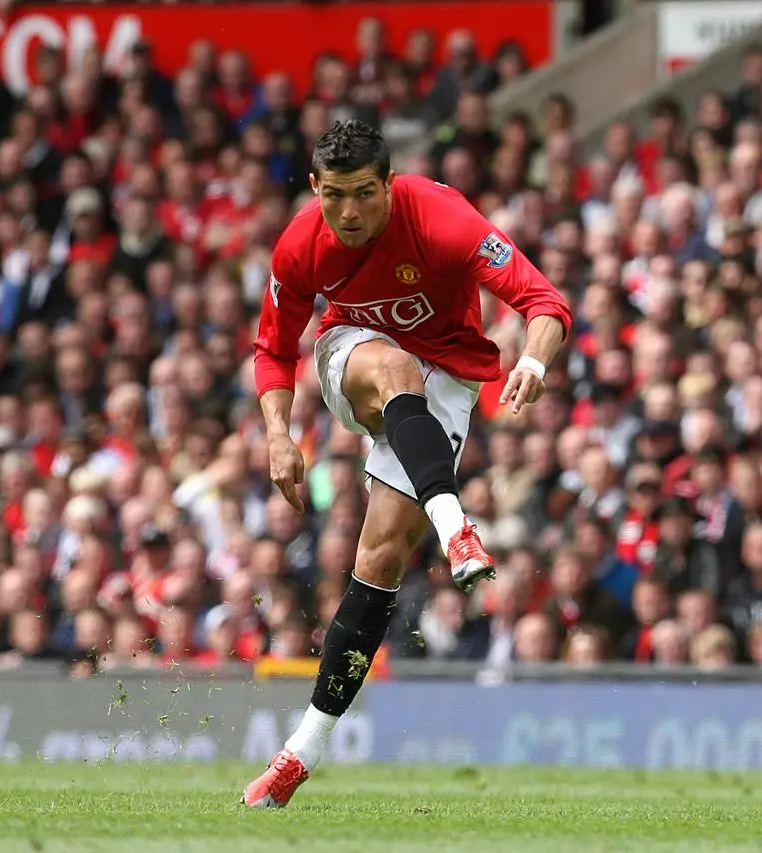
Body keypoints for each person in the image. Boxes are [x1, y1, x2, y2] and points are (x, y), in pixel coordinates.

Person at [242, 120, 572, 807]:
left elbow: (544, 302)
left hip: (450, 371)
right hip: (355, 357)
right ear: (315, 188)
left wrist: (534, 359)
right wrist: (278, 433)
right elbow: (273, 349)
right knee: (393, 368)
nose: (350, 212)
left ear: (389, 184)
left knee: (382, 560)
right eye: (335, 196)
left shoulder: (443, 218)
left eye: (365, 193)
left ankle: (298, 754)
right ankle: (456, 523)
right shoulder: (301, 243)